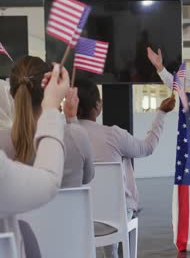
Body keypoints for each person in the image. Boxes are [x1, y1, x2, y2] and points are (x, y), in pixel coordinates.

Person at [73, 79, 175, 258]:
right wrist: (161, 113)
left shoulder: (64, 136)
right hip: (116, 218)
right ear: (98, 105)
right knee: (117, 206)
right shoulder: (113, 135)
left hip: (77, 219)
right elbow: (147, 147)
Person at [0, 63, 69, 257]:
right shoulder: (76, 138)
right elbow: (48, 180)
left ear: (12, 95)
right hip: (66, 239)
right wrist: (52, 109)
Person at [0, 56, 94, 188]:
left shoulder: (2, 143)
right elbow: (88, 177)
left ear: (11, 93)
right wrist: (72, 119)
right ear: (48, 89)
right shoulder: (77, 136)